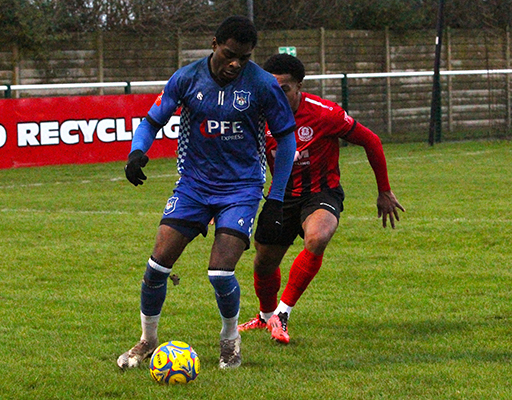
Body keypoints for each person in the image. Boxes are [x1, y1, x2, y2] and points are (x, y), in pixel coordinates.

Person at [117, 16, 297, 369]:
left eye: (244, 58)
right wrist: (137, 152)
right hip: (194, 185)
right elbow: (151, 122)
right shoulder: (187, 78)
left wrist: (276, 197)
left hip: (241, 188)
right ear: (214, 44)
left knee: (220, 273)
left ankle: (230, 340)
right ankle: (147, 341)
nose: (236, 64)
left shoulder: (262, 85)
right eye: (230, 54)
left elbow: (286, 139)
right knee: (156, 267)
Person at [237, 54, 405, 344]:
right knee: (264, 262)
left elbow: (371, 140)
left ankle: (282, 314)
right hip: (281, 196)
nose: (278, 96)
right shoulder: (257, 116)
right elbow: (240, 160)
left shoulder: (324, 113)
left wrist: (384, 190)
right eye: (272, 89)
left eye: (285, 89)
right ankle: (265, 316)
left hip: (321, 193)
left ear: (299, 86)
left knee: (318, 237)